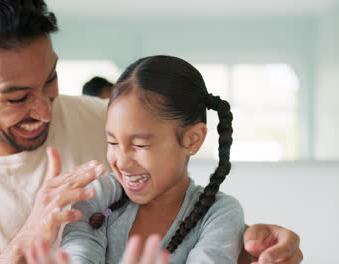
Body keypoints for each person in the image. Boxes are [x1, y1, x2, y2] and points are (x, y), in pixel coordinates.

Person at [0, 1, 303, 264]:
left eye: (51, 80)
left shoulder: (109, 119)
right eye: (17, 97)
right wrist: (31, 233)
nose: (45, 110)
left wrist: (249, 246)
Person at [60, 55, 244, 263]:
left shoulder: (219, 214)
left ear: (193, 139)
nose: (121, 162)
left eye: (140, 145)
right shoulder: (97, 196)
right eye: (112, 142)